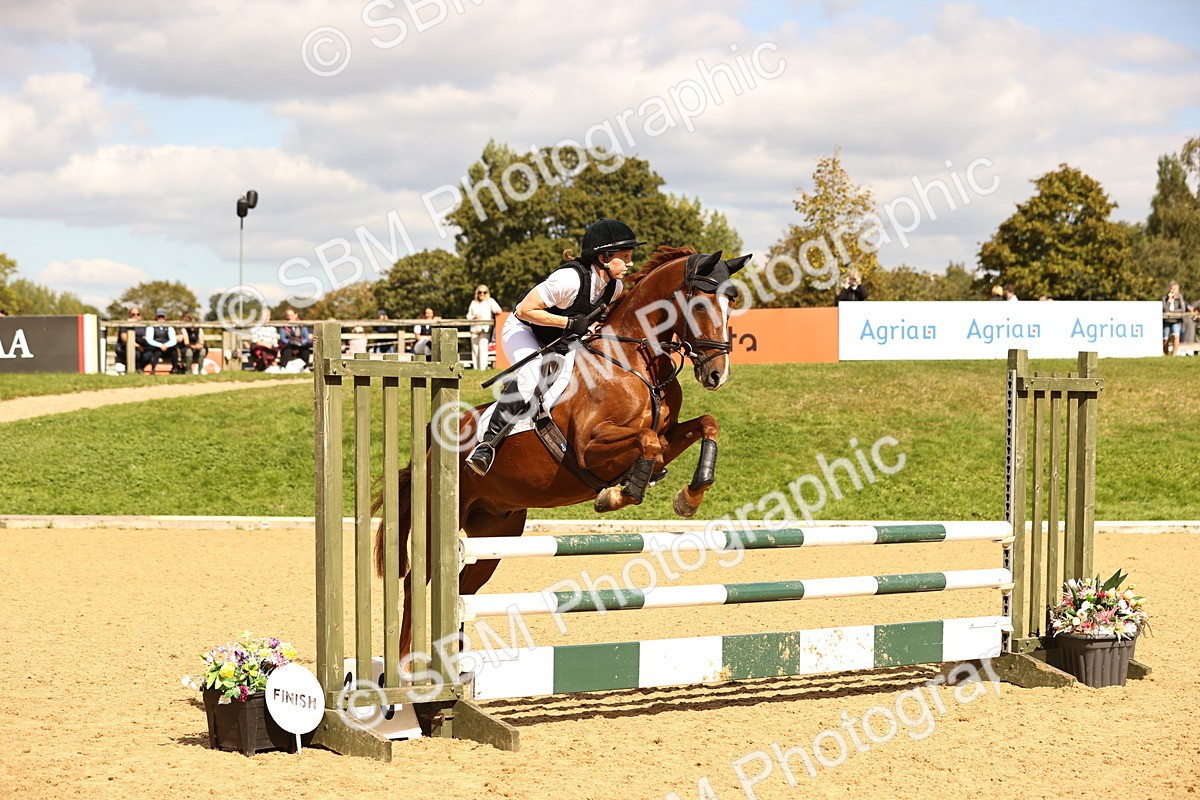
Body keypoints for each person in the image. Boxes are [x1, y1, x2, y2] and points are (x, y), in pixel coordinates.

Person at [464, 218, 643, 476]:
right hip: (524, 329)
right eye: (624, 257)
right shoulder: (568, 279)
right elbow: (525, 310)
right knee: (530, 375)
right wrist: (569, 322)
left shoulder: (615, 288)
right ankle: (486, 445)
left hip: (561, 338)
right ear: (603, 257)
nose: (630, 263)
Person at [466, 284, 503, 370]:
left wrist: (496, 312)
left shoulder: (490, 301)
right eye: (480, 292)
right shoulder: (473, 303)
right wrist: (474, 317)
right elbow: (468, 316)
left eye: (484, 292)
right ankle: (476, 368)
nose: (482, 294)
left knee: (483, 348)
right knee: (475, 349)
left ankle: (483, 368)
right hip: (474, 328)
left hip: (485, 328)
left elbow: (498, 310)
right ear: (477, 293)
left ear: (487, 293)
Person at [143, 308, 180, 374]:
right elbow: (149, 340)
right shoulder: (151, 326)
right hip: (155, 347)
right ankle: (153, 369)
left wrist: (166, 345)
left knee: (174, 351)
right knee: (157, 352)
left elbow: (173, 340)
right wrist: (160, 345)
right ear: (156, 317)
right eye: (159, 317)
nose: (161, 319)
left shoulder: (169, 327)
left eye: (162, 317)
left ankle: (175, 369)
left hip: (167, 347)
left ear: (165, 317)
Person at [114, 307, 148, 373]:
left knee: (149, 354)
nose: (136, 316)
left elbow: (146, 336)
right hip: (125, 348)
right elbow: (124, 338)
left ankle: (139, 369)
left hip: (141, 347)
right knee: (136, 354)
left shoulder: (143, 325)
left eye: (138, 314)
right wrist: (136, 345)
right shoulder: (125, 324)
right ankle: (132, 371)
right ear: (129, 315)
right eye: (133, 314)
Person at [1163, 280, 1187, 355]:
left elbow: (1183, 309)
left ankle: (1174, 355)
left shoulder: (1179, 297)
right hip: (1166, 320)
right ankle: (1166, 355)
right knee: (1165, 339)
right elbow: (1165, 309)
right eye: (1171, 288)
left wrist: (1172, 311)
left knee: (1176, 336)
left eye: (1174, 289)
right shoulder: (1164, 298)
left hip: (1176, 320)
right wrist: (1169, 301)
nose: (1172, 290)